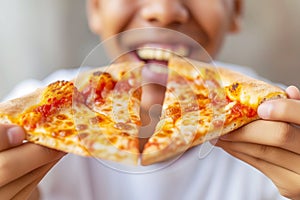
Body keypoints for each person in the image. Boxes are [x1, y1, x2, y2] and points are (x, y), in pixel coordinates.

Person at [1, 0, 300, 199]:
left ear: (235, 10)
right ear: (95, 8)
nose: (164, 9)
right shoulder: (21, 131)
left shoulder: (281, 125)